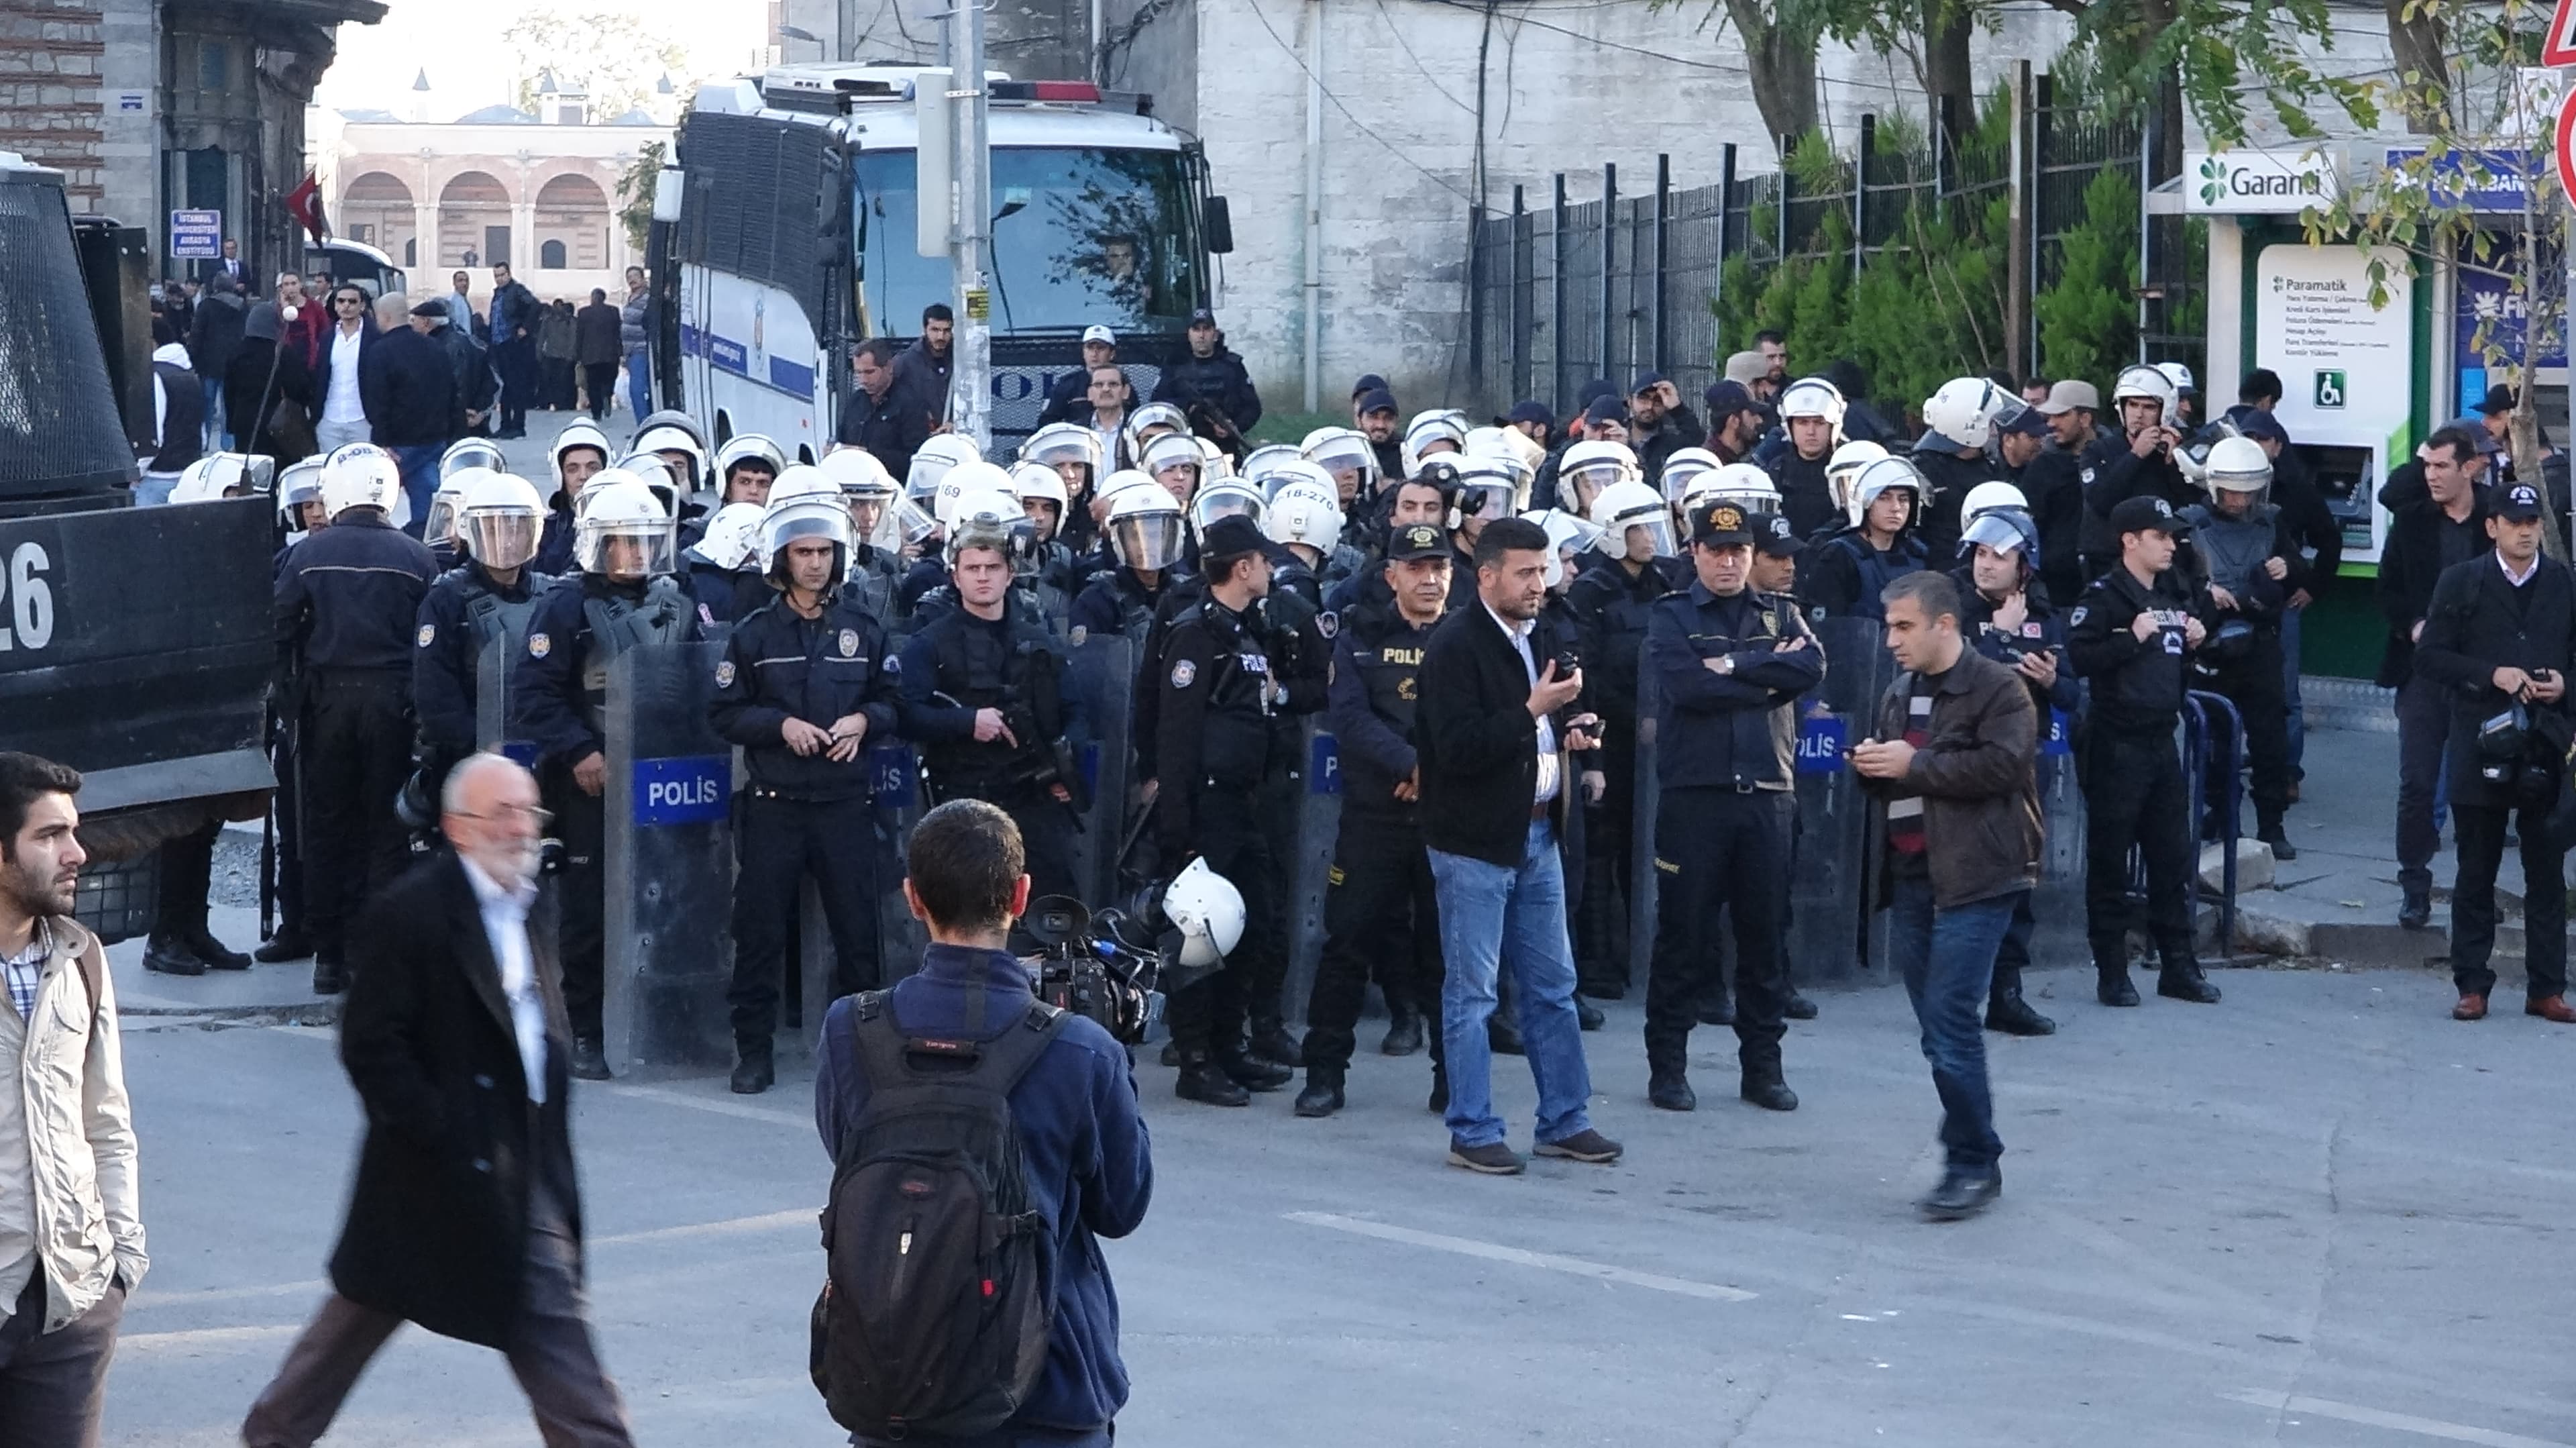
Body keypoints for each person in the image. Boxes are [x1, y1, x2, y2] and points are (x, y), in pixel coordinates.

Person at [241, 754, 635, 1448]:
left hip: (518, 1171)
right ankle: (270, 1436)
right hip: (431, 1174)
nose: (521, 828)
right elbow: (370, 1043)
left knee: (562, 1352)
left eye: (529, 811)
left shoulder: (532, 900)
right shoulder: (412, 912)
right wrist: (436, 1128)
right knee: (352, 1323)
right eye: (502, 813)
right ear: (457, 827)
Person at [812, 798, 1151, 1448]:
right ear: (1021, 895)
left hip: (893, 1373)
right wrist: (1116, 1058)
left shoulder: (851, 1030)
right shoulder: (1080, 1048)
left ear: (913, 898)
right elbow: (1121, 1206)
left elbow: (851, 1157)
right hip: (1047, 1386)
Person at [1415, 516, 1621, 1174]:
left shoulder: (1544, 633)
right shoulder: (1454, 645)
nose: (1541, 583)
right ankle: (1472, 1128)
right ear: (1488, 576)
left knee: (1554, 986)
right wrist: (1532, 711)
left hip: (1540, 831)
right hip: (1474, 842)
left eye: (1546, 569)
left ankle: (1566, 1119)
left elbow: (1540, 721)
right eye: (1527, 572)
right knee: (1474, 993)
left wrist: (1570, 728)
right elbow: (1459, 749)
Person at [1849, 571, 2039, 1221]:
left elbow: (2003, 767)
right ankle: (1973, 1146)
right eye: (1889, 627)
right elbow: (1902, 782)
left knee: (1952, 1020)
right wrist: (1874, 768)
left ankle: (1973, 1160)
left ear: (1945, 624)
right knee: (1938, 1029)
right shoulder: (1900, 692)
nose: (1892, 641)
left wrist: (1911, 766)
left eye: (1904, 627)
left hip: (1976, 878)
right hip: (1910, 877)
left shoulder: (1999, 688)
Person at [708, 490, 900, 1094]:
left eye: (824, 552)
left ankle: (865, 1057)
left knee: (860, 939)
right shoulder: (755, 634)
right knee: (760, 933)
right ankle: (754, 1051)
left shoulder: (865, 628)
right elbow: (724, 712)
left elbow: (896, 701)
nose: (815, 563)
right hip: (776, 807)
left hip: (846, 805)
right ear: (781, 559)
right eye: (803, 552)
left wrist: (864, 721)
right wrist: (780, 726)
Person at [1639, 501, 1822, 1114]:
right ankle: (1668, 1068)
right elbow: (1688, 686)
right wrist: (1768, 681)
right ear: (1694, 553)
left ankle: (1763, 1070)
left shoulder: (1783, 611)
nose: (1728, 561)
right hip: (1697, 798)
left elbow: (1812, 666)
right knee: (1683, 937)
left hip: (1768, 796)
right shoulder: (1672, 615)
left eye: (1739, 551)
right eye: (1716, 551)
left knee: (1765, 940)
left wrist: (1739, 665)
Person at [513, 476, 698, 1078]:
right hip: (591, 781)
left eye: (648, 541)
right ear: (599, 543)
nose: (640, 554)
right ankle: (585, 1032)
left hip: (664, 776)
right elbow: (533, 694)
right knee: (589, 911)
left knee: (673, 899)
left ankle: (673, 1021)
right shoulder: (566, 607)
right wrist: (578, 752)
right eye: (626, 541)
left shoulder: (676, 598)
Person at [0, 754, 145, 1448]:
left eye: (74, 832)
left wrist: (120, 1263)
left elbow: (107, 1121)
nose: (77, 853)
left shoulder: (81, 957)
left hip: (70, 1310)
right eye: (50, 835)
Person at [1295, 523, 1454, 1117]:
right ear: (1392, 576)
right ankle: (1324, 1076)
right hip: (1373, 818)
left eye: (1439, 566)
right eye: (1416, 567)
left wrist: (1434, 772)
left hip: (1445, 820)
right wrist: (1415, 763)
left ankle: (1453, 1078)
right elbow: (1352, 720)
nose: (1430, 577)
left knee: (1447, 955)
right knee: (1347, 945)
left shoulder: (1466, 636)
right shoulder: (1358, 632)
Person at [274, 445, 439, 995]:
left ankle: (329, 953)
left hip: (328, 702)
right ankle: (379, 948)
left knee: (326, 825)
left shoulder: (309, 554)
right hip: (394, 701)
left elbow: (278, 624)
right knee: (388, 827)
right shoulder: (418, 557)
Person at [2412, 482, 2576, 1023]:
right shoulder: (2462, 581)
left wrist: (2564, 686)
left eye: (2532, 521)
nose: (2526, 530)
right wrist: (2490, 674)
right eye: (2514, 520)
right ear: (2493, 527)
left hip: (2545, 746)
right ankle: (2473, 984)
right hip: (2481, 738)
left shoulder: (2562, 582)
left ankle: (2546, 988)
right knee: (2476, 869)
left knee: (2546, 871)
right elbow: (2432, 657)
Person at [1150, 515, 1298, 1106]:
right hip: (1207, 807)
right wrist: (1178, 828)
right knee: (1201, 935)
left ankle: (1230, 1046)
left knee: (1252, 924)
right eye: (1263, 561)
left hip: (1243, 805)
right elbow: (1177, 735)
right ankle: (1196, 1060)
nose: (1268, 569)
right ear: (1243, 568)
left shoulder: (1245, 631)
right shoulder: (1196, 635)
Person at [2068, 495, 2222, 1009]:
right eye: (2159, 536)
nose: (2171, 544)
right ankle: (2112, 970)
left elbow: (2175, 663)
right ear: (2130, 540)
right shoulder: (2106, 597)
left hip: (2162, 740)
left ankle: (2179, 965)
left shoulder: (2175, 593)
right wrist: (2130, 640)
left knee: (2172, 857)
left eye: (2172, 535)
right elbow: (2081, 658)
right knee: (2111, 860)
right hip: (2115, 741)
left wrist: (2197, 640)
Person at [898, 506, 1083, 914]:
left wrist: (1066, 771)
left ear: (1010, 574)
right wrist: (967, 722)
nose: (983, 576)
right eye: (973, 567)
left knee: (1054, 914)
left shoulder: (1040, 641)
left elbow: (1074, 711)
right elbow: (907, 714)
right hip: (964, 803)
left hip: (1034, 801)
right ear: (955, 575)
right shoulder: (930, 643)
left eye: (993, 567)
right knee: (969, 916)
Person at [1949, 507, 2073, 1036]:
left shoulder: (2044, 615)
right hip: (1961, 764)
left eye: (2000, 555)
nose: (1987, 565)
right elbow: (1949, 679)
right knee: (1956, 884)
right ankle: (1950, 998)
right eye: (1980, 553)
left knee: (2017, 883)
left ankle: (2007, 994)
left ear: (2025, 565)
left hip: (2022, 769)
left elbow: (2075, 694)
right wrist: (1998, 638)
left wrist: (2051, 683)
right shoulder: (1951, 608)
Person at [2380, 427, 2493, 929]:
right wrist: (2413, 624)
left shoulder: (2495, 514)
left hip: (2481, 670)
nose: (2430, 475)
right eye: (2426, 466)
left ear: (2469, 468)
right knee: (2418, 783)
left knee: (2480, 786)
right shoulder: (2411, 520)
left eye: (2441, 466)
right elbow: (2389, 588)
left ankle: (2476, 889)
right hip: (2424, 668)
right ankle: (2415, 885)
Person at [2178, 437, 2302, 859]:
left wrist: (2289, 568)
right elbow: (2170, 582)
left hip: (2260, 645)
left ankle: (2272, 825)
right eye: (2233, 490)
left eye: (2248, 490)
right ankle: (2221, 817)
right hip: (2211, 647)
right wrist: (2204, 590)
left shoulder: (2270, 523)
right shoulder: (2190, 524)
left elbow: (2296, 565)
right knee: (2213, 743)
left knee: (2270, 743)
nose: (2240, 499)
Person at [412, 472, 551, 807]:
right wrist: (479, 748)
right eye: (492, 528)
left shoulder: (552, 594)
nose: (505, 539)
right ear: (471, 530)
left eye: (516, 527)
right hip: (469, 756)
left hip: (542, 752)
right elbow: (434, 689)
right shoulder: (447, 597)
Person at [2079, 365, 2196, 582]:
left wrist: (2173, 463)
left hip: (2160, 565)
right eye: (2132, 405)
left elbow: (2188, 505)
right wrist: (2136, 456)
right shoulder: (2098, 450)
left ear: (2164, 411)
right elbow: (2100, 500)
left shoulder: (2174, 452)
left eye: (2149, 407)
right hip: (2108, 561)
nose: (2139, 414)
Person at [359, 295, 457, 529]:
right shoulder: (434, 347)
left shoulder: (380, 351)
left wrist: (381, 442)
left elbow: (377, 400)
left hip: (398, 444)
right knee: (427, 506)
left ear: (384, 316)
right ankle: (430, 549)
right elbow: (451, 392)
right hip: (433, 439)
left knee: (372, 503)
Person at [1803, 455, 1929, 622]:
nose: (1896, 508)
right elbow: (1827, 626)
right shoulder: (1838, 556)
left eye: (1903, 499)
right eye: (1884, 498)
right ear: (1864, 503)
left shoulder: (1917, 554)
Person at [1153, 308, 1261, 454]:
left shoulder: (1233, 366)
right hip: (1185, 444)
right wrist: (1188, 407)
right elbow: (1157, 404)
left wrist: (1235, 426)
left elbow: (1253, 407)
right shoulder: (1175, 366)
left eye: (1206, 329)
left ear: (1215, 335)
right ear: (1189, 335)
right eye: (1196, 330)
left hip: (1225, 447)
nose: (1202, 335)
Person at [222, 301, 316, 462]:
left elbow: (229, 393)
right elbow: (299, 388)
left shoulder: (236, 352)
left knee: (251, 470)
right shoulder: (282, 353)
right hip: (277, 423)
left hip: (244, 423)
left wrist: (232, 423)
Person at [838, 337, 930, 483]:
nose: (863, 380)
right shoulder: (856, 402)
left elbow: (916, 460)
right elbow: (842, 440)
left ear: (889, 367)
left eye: (869, 372)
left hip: (893, 489)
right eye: (858, 373)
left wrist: (869, 455)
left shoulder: (910, 404)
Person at [311, 284, 376, 454]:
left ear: (362, 306)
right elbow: (319, 375)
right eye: (341, 301)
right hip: (329, 420)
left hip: (362, 420)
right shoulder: (327, 336)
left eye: (352, 301)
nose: (346, 306)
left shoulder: (374, 337)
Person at [140, 334, 203, 505]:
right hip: (188, 472)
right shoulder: (191, 377)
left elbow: (154, 430)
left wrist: (139, 469)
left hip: (158, 474)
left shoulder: (156, 376)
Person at [189, 272, 247, 449]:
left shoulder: (206, 306)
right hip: (234, 364)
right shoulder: (242, 306)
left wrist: (192, 358)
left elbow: (196, 334)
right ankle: (228, 444)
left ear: (215, 286)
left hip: (209, 363)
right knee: (229, 406)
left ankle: (203, 442)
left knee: (206, 405)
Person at [1036, 325, 1117, 426]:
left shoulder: (1123, 385)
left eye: (1101, 348)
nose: (1094, 353)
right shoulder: (1066, 385)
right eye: (1090, 348)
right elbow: (1047, 422)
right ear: (1083, 352)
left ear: (1112, 354)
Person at [893, 302, 955, 425]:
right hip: (918, 435)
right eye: (935, 330)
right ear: (924, 330)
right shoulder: (906, 361)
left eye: (946, 331)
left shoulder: (963, 360)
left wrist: (955, 423)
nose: (941, 336)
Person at [574, 289, 623, 422]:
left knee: (593, 384)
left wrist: (578, 355)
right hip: (610, 354)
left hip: (590, 355)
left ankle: (597, 412)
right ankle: (607, 394)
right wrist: (620, 352)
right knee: (609, 379)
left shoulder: (583, 313)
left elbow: (579, 335)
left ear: (592, 298)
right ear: (604, 298)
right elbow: (618, 333)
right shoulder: (613, 312)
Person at [618, 266, 653, 421]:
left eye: (635, 276)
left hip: (641, 348)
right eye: (629, 277)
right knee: (639, 389)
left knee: (637, 390)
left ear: (643, 278)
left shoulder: (648, 298)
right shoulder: (632, 298)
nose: (631, 280)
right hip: (630, 350)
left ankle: (644, 423)